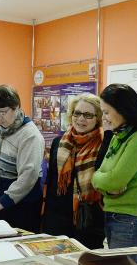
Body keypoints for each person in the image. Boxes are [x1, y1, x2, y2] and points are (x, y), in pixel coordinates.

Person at [91, 84, 137, 264]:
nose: (105, 119)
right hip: (114, 215)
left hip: (130, 220)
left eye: (107, 112)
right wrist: (103, 182)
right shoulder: (119, 136)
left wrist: (104, 181)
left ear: (122, 109)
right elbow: (98, 174)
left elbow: (114, 180)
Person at [42, 93, 112, 248]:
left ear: (98, 118)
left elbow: (104, 177)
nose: (81, 119)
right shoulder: (58, 142)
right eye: (77, 113)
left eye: (88, 115)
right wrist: (46, 221)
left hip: (89, 221)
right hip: (57, 220)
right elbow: (53, 183)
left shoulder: (105, 144)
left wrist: (108, 137)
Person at [0, 84, 44, 233]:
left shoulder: (30, 135)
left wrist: (1, 203)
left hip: (19, 209)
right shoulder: (3, 130)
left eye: (3, 112)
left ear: (16, 107)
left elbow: (28, 176)